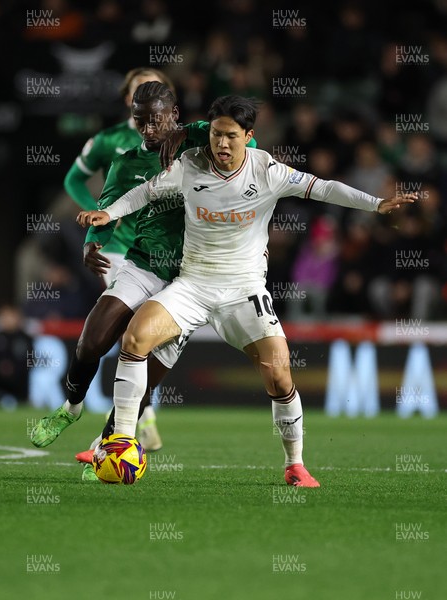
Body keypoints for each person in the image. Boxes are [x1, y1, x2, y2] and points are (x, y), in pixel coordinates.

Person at [77, 95, 416, 488]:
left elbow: (324, 188)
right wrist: (109, 213)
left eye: (231, 137)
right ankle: (119, 440)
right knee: (136, 336)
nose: (221, 145)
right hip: (193, 285)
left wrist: (376, 205)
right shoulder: (190, 165)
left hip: (244, 289)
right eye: (217, 135)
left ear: (248, 136)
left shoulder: (266, 170)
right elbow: (146, 192)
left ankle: (295, 464)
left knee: (278, 372)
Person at [30, 83, 258, 482]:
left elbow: (235, 135)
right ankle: (71, 407)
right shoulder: (126, 162)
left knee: (143, 377)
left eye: (158, 119)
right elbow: (107, 210)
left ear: (174, 113)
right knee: (92, 340)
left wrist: (187, 131)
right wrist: (92, 243)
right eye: (141, 120)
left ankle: (106, 450)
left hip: (190, 281)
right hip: (144, 264)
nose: (150, 128)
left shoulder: (204, 146)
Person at [63, 67, 176, 452]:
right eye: (136, 93)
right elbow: (79, 184)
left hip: (189, 271)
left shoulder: (195, 144)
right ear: (128, 98)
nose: (148, 123)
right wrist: (98, 216)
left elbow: (245, 153)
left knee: (138, 337)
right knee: (114, 334)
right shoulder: (113, 145)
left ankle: (132, 421)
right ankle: (126, 423)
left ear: (171, 106)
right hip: (124, 253)